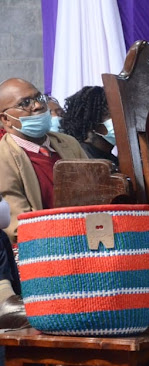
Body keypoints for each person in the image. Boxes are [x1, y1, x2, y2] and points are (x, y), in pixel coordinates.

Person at [0, 78, 88, 243]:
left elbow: (94, 191)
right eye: (25, 103)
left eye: (39, 98)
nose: (38, 106)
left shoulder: (69, 143)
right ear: (6, 119)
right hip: (44, 249)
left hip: (87, 238)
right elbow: (19, 226)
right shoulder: (3, 158)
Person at [61, 86, 118, 166]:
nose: (118, 120)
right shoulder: (82, 160)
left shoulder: (112, 159)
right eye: (109, 115)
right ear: (92, 121)